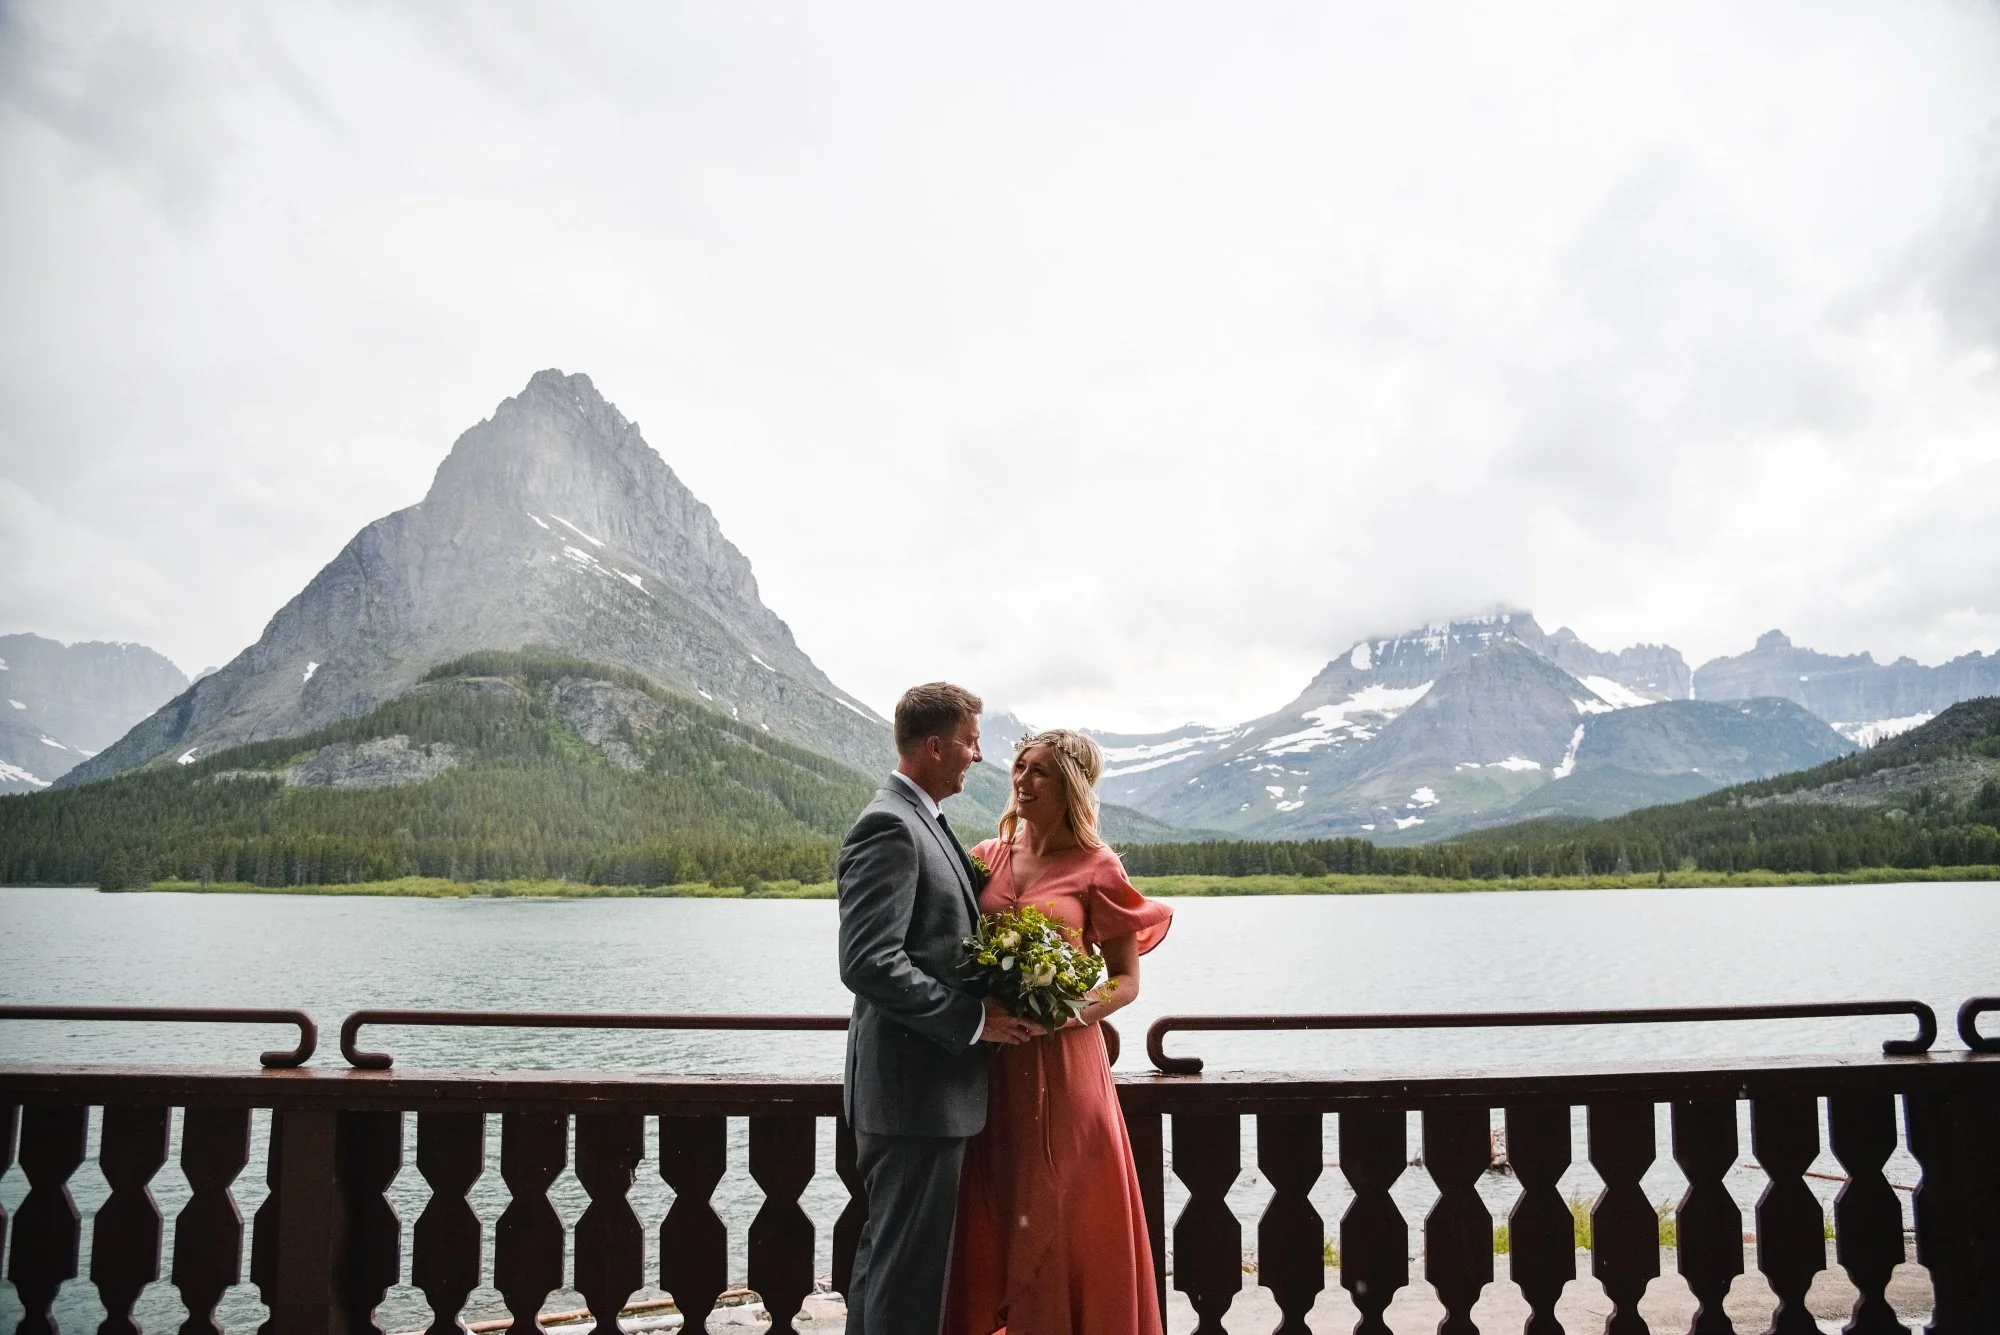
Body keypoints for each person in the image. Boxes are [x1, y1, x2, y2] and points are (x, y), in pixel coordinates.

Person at [946, 728, 1174, 1335]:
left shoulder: (1098, 866)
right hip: (992, 1062)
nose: (1022, 780)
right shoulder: (984, 857)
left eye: (1039, 771)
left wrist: (1072, 1009)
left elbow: (1125, 980)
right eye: (1019, 768)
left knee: (1070, 1204)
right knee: (995, 1197)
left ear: (1069, 783)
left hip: (1069, 1068)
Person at [838, 682, 1037, 1335]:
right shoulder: (889, 824)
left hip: (920, 1094)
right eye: (971, 740)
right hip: (912, 1094)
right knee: (907, 1278)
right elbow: (869, 962)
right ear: (935, 745)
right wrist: (974, 1020)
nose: (977, 755)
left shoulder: (921, 818)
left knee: (894, 1265)